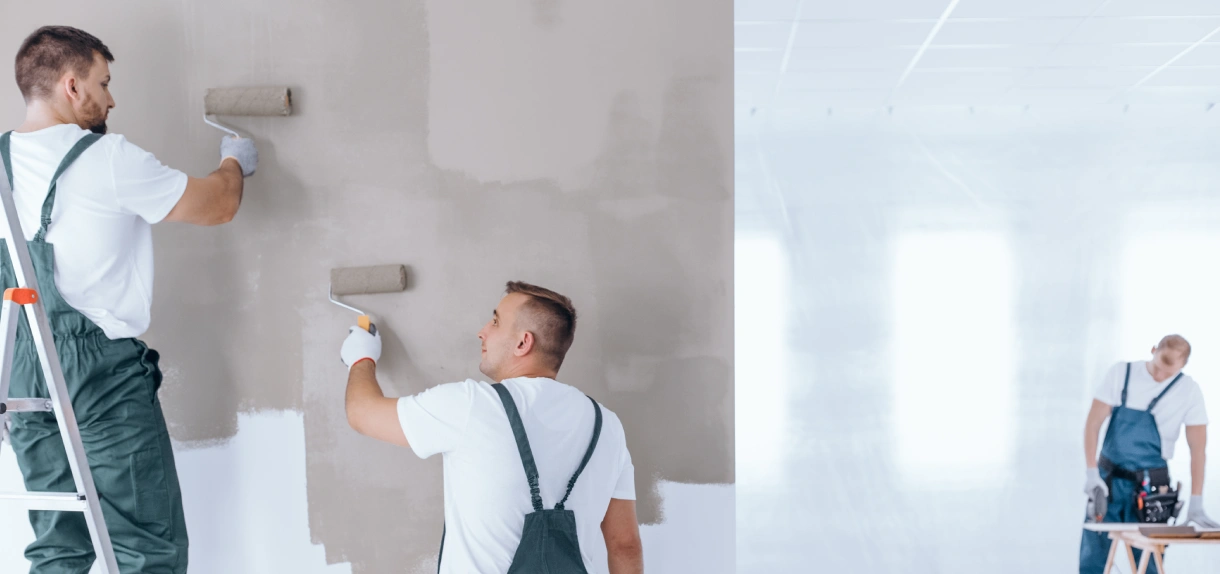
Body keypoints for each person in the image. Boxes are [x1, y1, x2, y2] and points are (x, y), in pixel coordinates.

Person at [1, 26, 258, 572]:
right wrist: (234, 162)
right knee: (147, 548)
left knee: (57, 548)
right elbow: (218, 205)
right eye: (104, 82)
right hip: (97, 375)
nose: (111, 98)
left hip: (19, 369)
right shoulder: (107, 159)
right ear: (72, 86)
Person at [340, 281, 644, 573]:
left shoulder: (472, 405)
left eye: (495, 322)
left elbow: (362, 413)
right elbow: (624, 545)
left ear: (523, 342)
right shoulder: (607, 425)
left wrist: (361, 356)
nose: (482, 332)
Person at [1079, 335, 1218, 574]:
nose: (1160, 377)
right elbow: (1093, 424)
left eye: (1169, 372)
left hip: (1152, 489)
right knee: (1094, 557)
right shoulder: (1122, 373)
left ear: (1183, 366)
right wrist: (1092, 474)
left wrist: (1196, 501)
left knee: (1149, 560)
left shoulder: (1189, 391)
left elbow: (1198, 450)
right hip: (1108, 482)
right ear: (1153, 350)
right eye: (1158, 368)